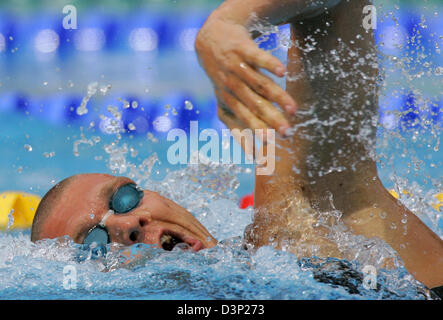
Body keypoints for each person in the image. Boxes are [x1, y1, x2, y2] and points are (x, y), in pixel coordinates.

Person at [31, 0, 442, 295]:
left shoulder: (302, 227)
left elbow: (336, 7)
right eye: (94, 246)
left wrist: (228, 21)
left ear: (161, 196)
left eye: (123, 198)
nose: (126, 225)